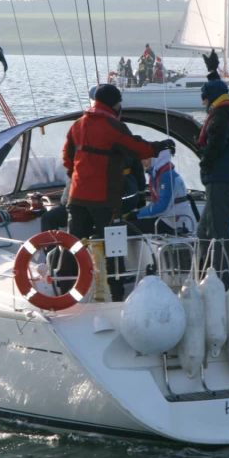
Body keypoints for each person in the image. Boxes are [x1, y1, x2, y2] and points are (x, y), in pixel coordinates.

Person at [62, 83, 175, 300]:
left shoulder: (77, 125)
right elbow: (137, 148)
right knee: (113, 244)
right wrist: (160, 145)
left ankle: (64, 288)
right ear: (115, 105)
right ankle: (116, 293)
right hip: (104, 200)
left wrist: (76, 177)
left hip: (76, 197)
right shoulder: (113, 126)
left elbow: (67, 158)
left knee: (75, 242)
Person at [197, 49, 229, 289]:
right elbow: (219, 90)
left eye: (204, 99)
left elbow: (217, 142)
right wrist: (211, 72)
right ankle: (205, 277)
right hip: (228, 176)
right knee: (203, 230)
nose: (203, 103)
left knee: (218, 232)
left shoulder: (222, 115)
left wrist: (204, 162)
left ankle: (224, 284)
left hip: (220, 178)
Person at [124, 150, 195, 234]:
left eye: (146, 158)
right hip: (165, 218)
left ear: (156, 159)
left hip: (170, 222)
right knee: (126, 225)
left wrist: (137, 214)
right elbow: (156, 204)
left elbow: (162, 207)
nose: (143, 161)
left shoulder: (167, 176)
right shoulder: (158, 175)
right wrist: (135, 213)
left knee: (125, 229)